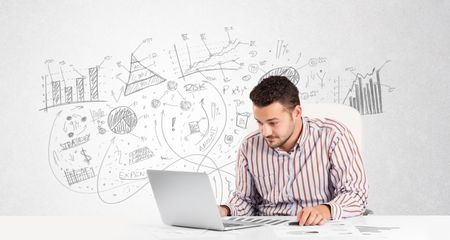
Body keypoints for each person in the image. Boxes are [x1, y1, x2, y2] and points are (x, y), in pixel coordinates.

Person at [218, 75, 368, 226]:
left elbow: (355, 194)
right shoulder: (249, 146)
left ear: (296, 113)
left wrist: (323, 210)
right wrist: (224, 210)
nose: (265, 132)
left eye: (273, 123)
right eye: (260, 122)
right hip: (268, 229)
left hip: (318, 227)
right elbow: (246, 201)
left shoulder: (333, 136)